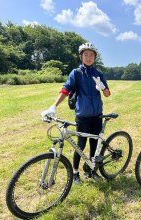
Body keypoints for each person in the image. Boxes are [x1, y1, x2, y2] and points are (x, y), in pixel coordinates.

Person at [41, 42, 111, 184]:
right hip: (83, 115)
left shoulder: (99, 74)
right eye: (86, 54)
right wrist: (54, 106)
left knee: (94, 145)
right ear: (81, 56)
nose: (89, 57)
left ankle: (91, 170)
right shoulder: (76, 73)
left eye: (91, 55)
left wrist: (102, 87)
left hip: (97, 114)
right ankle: (75, 173)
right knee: (80, 145)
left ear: (95, 57)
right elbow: (66, 89)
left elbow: (108, 94)